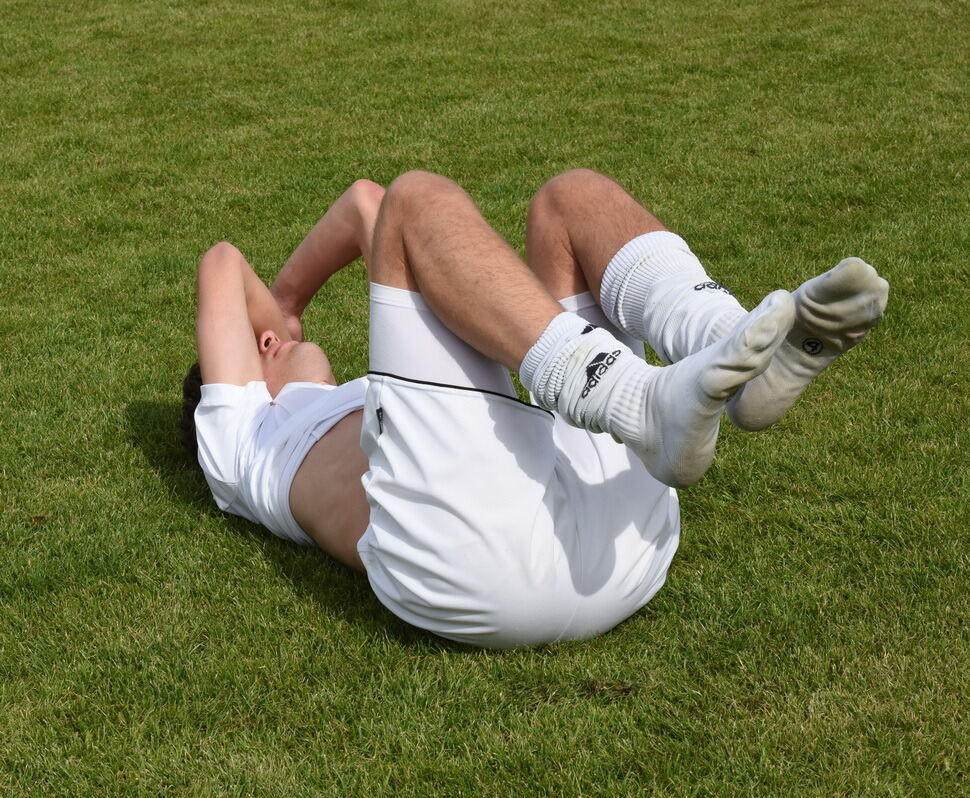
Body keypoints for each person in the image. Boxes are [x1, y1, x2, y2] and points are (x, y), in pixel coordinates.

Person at [182, 169, 888, 648]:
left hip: (615, 531)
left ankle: (732, 347)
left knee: (570, 200)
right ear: (249, 362)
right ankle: (638, 399)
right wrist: (287, 303)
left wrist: (285, 317)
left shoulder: (382, 406)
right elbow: (223, 262)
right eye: (259, 344)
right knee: (417, 198)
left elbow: (364, 202)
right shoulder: (240, 435)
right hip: (471, 570)